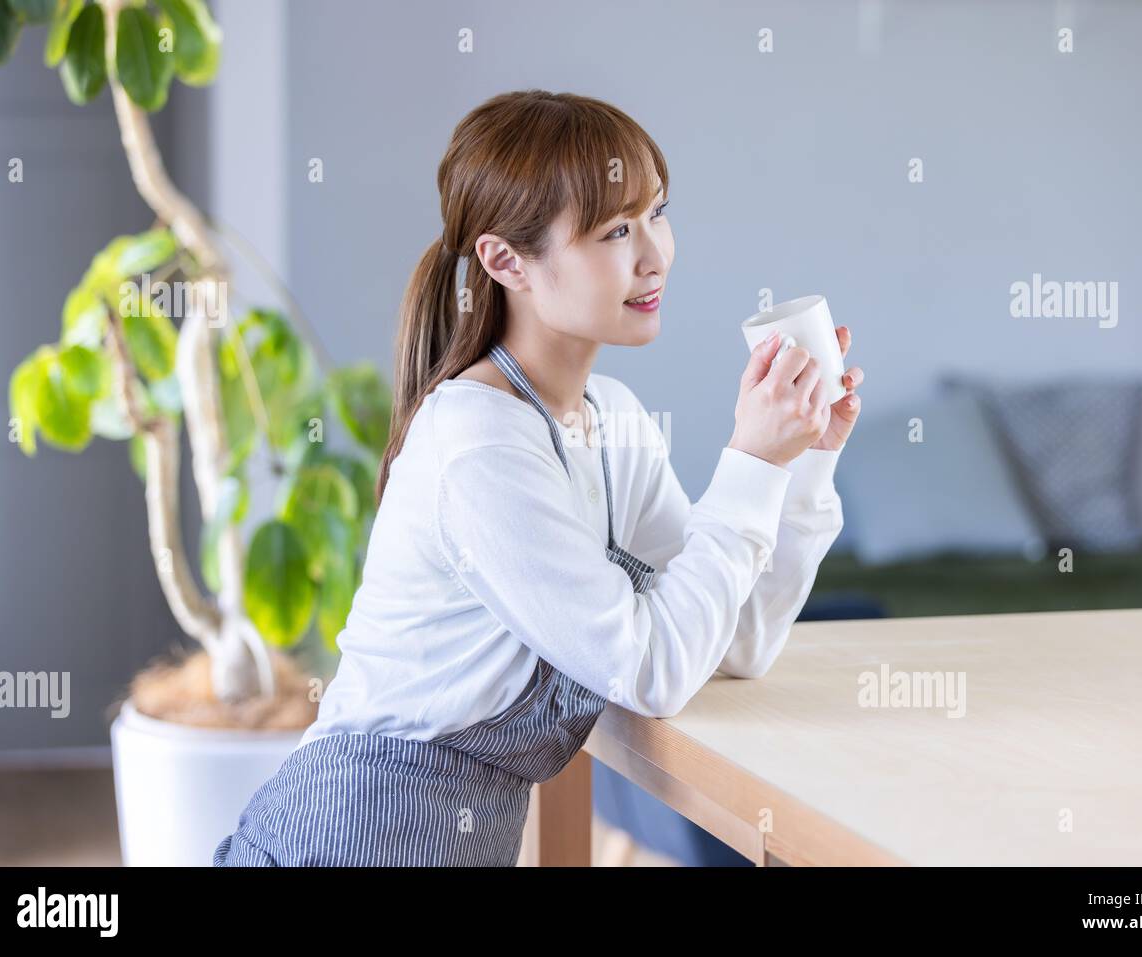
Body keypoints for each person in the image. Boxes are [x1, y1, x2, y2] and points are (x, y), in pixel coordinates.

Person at [213, 89, 864, 867]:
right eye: (615, 230)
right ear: (504, 260)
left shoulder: (611, 417)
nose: (654, 254)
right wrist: (748, 461)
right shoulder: (477, 440)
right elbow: (646, 670)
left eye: (657, 212)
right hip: (346, 839)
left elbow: (732, 642)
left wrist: (800, 463)